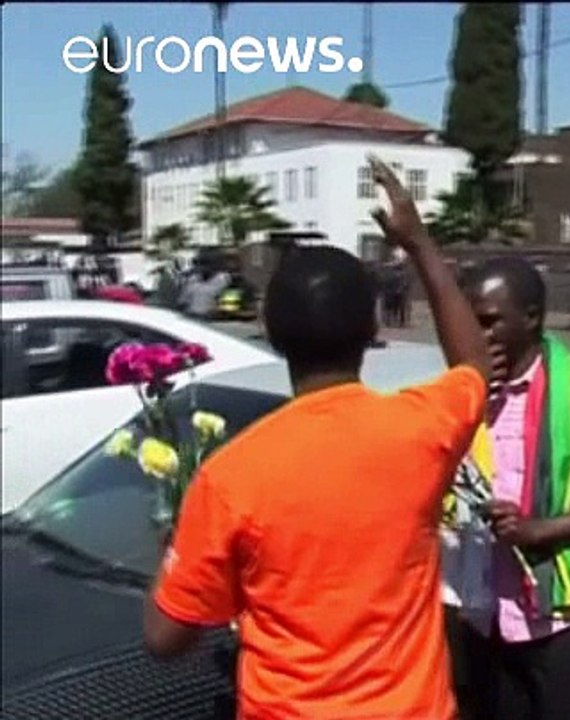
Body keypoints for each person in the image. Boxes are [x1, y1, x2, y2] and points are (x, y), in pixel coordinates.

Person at [142, 157, 493, 719]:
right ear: (374, 329)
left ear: (274, 335)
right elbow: (475, 363)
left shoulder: (233, 477)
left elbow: (166, 638)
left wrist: (171, 557)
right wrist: (419, 243)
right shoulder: (421, 431)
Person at [461, 255, 570, 720]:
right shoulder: (462, 397)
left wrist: (539, 531)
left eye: (490, 322)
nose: (479, 335)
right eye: (470, 322)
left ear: (532, 317)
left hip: (563, 622)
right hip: (484, 617)